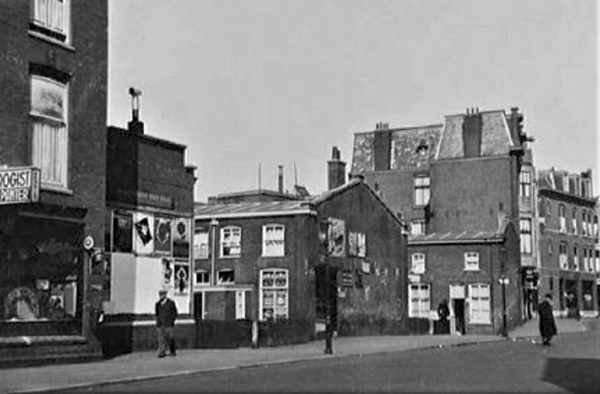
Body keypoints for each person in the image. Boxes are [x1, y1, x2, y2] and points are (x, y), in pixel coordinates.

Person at [155, 289, 178, 358]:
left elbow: (175, 313)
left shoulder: (171, 303)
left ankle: (172, 351)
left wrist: (172, 320)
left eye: (162, 295)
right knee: (161, 339)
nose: (161, 296)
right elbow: (157, 313)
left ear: (165, 295)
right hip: (160, 324)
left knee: (171, 338)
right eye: (160, 295)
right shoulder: (157, 304)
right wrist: (158, 321)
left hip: (169, 324)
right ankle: (162, 352)